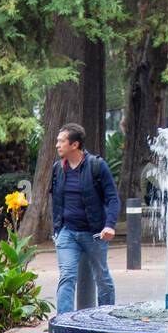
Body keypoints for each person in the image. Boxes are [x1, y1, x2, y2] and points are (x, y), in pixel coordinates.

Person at [52, 122, 120, 316]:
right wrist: (57, 229)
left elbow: (113, 198)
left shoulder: (97, 166)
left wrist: (110, 225)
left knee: (102, 278)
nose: (57, 145)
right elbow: (56, 200)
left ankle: (106, 317)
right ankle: (64, 322)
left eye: (61, 141)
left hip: (95, 233)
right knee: (67, 276)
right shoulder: (58, 168)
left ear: (75, 145)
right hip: (67, 233)